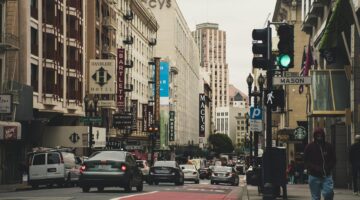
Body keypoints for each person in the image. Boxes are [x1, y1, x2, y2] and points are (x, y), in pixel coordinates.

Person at [304, 128, 336, 200]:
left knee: (329, 193)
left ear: (323, 136)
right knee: (315, 197)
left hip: (326, 175)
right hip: (314, 176)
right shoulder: (309, 147)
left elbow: (333, 159)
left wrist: (328, 167)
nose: (319, 138)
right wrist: (314, 168)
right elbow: (306, 160)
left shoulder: (328, 146)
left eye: (321, 136)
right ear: (315, 136)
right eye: (317, 136)